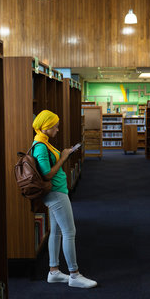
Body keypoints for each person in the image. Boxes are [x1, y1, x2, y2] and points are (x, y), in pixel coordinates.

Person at [31, 110, 98, 289]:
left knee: (57, 232)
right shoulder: (40, 146)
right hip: (56, 193)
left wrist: (62, 155)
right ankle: (74, 274)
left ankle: (53, 271)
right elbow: (47, 173)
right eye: (55, 126)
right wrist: (63, 157)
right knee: (70, 232)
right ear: (45, 127)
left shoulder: (44, 142)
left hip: (57, 191)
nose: (58, 129)